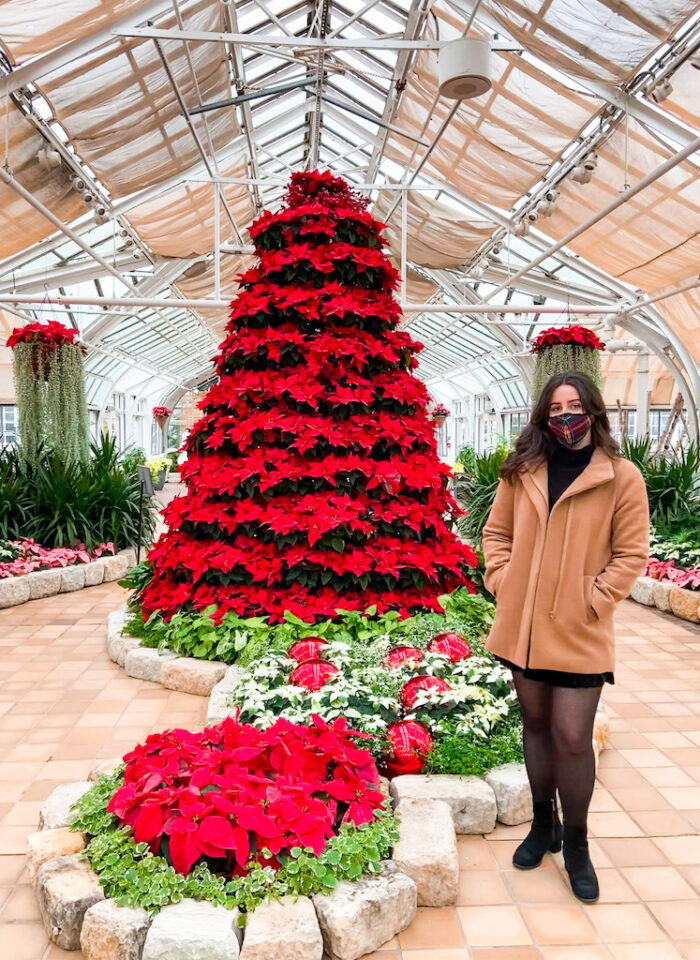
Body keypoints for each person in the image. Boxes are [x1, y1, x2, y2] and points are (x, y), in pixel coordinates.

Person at [482, 371, 649, 902]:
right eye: (555, 409)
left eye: (574, 406)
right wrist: (504, 582)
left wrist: (592, 600)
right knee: (534, 725)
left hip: (579, 630)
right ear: (543, 416)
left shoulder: (622, 477)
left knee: (573, 737)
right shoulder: (522, 471)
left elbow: (630, 555)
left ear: (594, 411)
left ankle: (576, 845)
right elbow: (496, 533)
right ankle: (541, 824)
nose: (565, 417)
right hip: (523, 628)